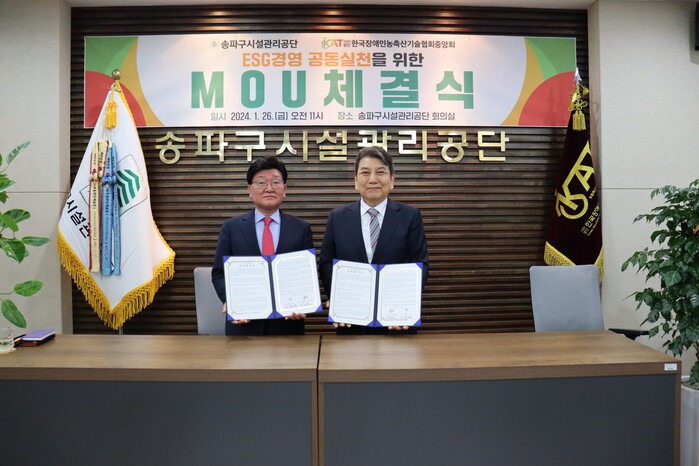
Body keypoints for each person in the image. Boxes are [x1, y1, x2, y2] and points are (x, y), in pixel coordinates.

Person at [319, 146, 429, 335]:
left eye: (380, 172)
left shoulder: (410, 216)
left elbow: (420, 264)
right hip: (351, 323)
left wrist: (406, 306)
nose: (372, 179)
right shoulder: (337, 217)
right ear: (355, 181)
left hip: (396, 322)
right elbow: (327, 264)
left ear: (392, 180)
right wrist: (338, 301)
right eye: (365, 172)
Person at [211, 156, 313, 335]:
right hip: (244, 325)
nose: (269, 188)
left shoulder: (301, 228)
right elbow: (219, 273)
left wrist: (304, 304)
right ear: (250, 190)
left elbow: (307, 274)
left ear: (284, 189)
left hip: (288, 326)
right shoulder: (231, 227)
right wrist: (231, 302)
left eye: (276, 182)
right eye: (261, 182)